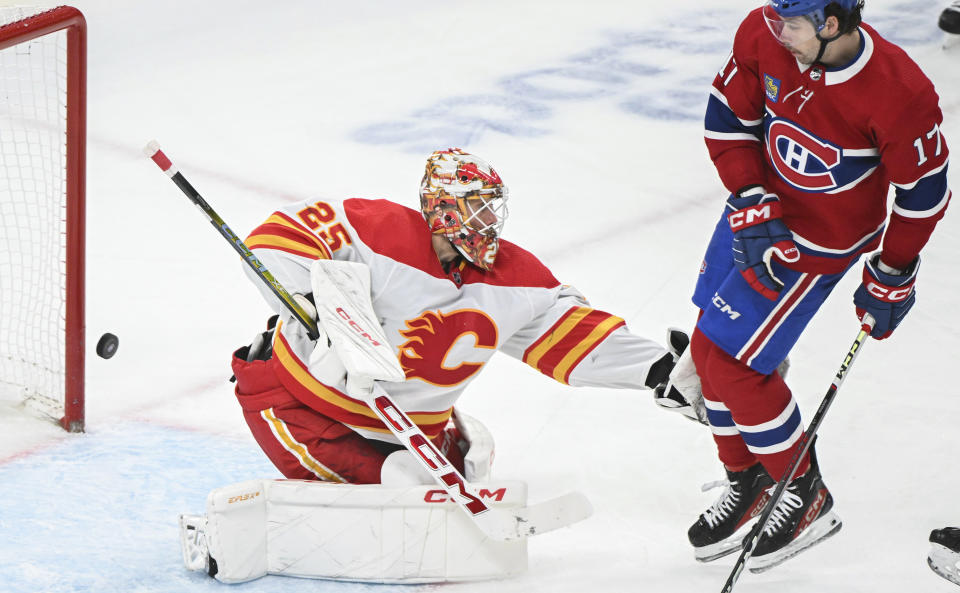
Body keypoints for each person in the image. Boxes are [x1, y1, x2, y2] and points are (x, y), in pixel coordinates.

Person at [685, 0, 950, 571]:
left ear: (832, 22)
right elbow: (727, 117)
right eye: (776, 19)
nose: (776, 32)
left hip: (815, 246)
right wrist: (749, 193)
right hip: (757, 218)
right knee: (705, 351)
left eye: (793, 23)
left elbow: (924, 191)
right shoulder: (764, 33)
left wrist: (892, 269)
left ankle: (802, 493)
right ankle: (749, 480)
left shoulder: (900, 91)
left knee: (737, 368)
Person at [230, 147, 692, 487]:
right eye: (479, 204)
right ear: (445, 205)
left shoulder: (514, 278)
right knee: (407, 487)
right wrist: (313, 302)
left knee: (454, 471)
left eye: (494, 205)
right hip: (300, 407)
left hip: (408, 432)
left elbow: (572, 337)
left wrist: (658, 370)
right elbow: (277, 237)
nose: (491, 218)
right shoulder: (380, 232)